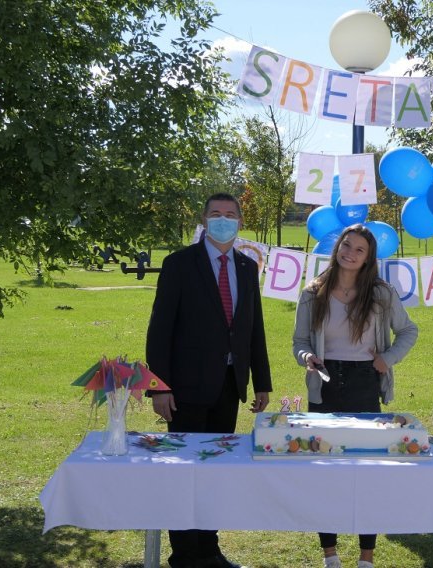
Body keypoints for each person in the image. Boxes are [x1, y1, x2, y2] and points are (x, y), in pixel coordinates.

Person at [146, 192, 272, 568]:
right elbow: (159, 330)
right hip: (183, 390)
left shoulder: (248, 268)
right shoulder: (179, 264)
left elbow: (254, 330)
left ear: (239, 221)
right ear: (203, 219)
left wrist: (261, 382)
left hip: (228, 388)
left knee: (215, 471)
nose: (223, 219)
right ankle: (185, 555)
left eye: (230, 214)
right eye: (215, 214)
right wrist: (159, 386)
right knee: (185, 473)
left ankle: (209, 550)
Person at [292, 223, 418, 568]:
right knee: (325, 469)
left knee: (367, 469)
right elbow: (299, 343)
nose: (350, 253)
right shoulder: (312, 292)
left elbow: (408, 330)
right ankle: (330, 555)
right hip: (325, 383)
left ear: (368, 258)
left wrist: (386, 359)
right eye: (346, 245)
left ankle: (366, 558)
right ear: (337, 248)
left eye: (359, 249)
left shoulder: (381, 293)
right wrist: (306, 358)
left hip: (365, 382)